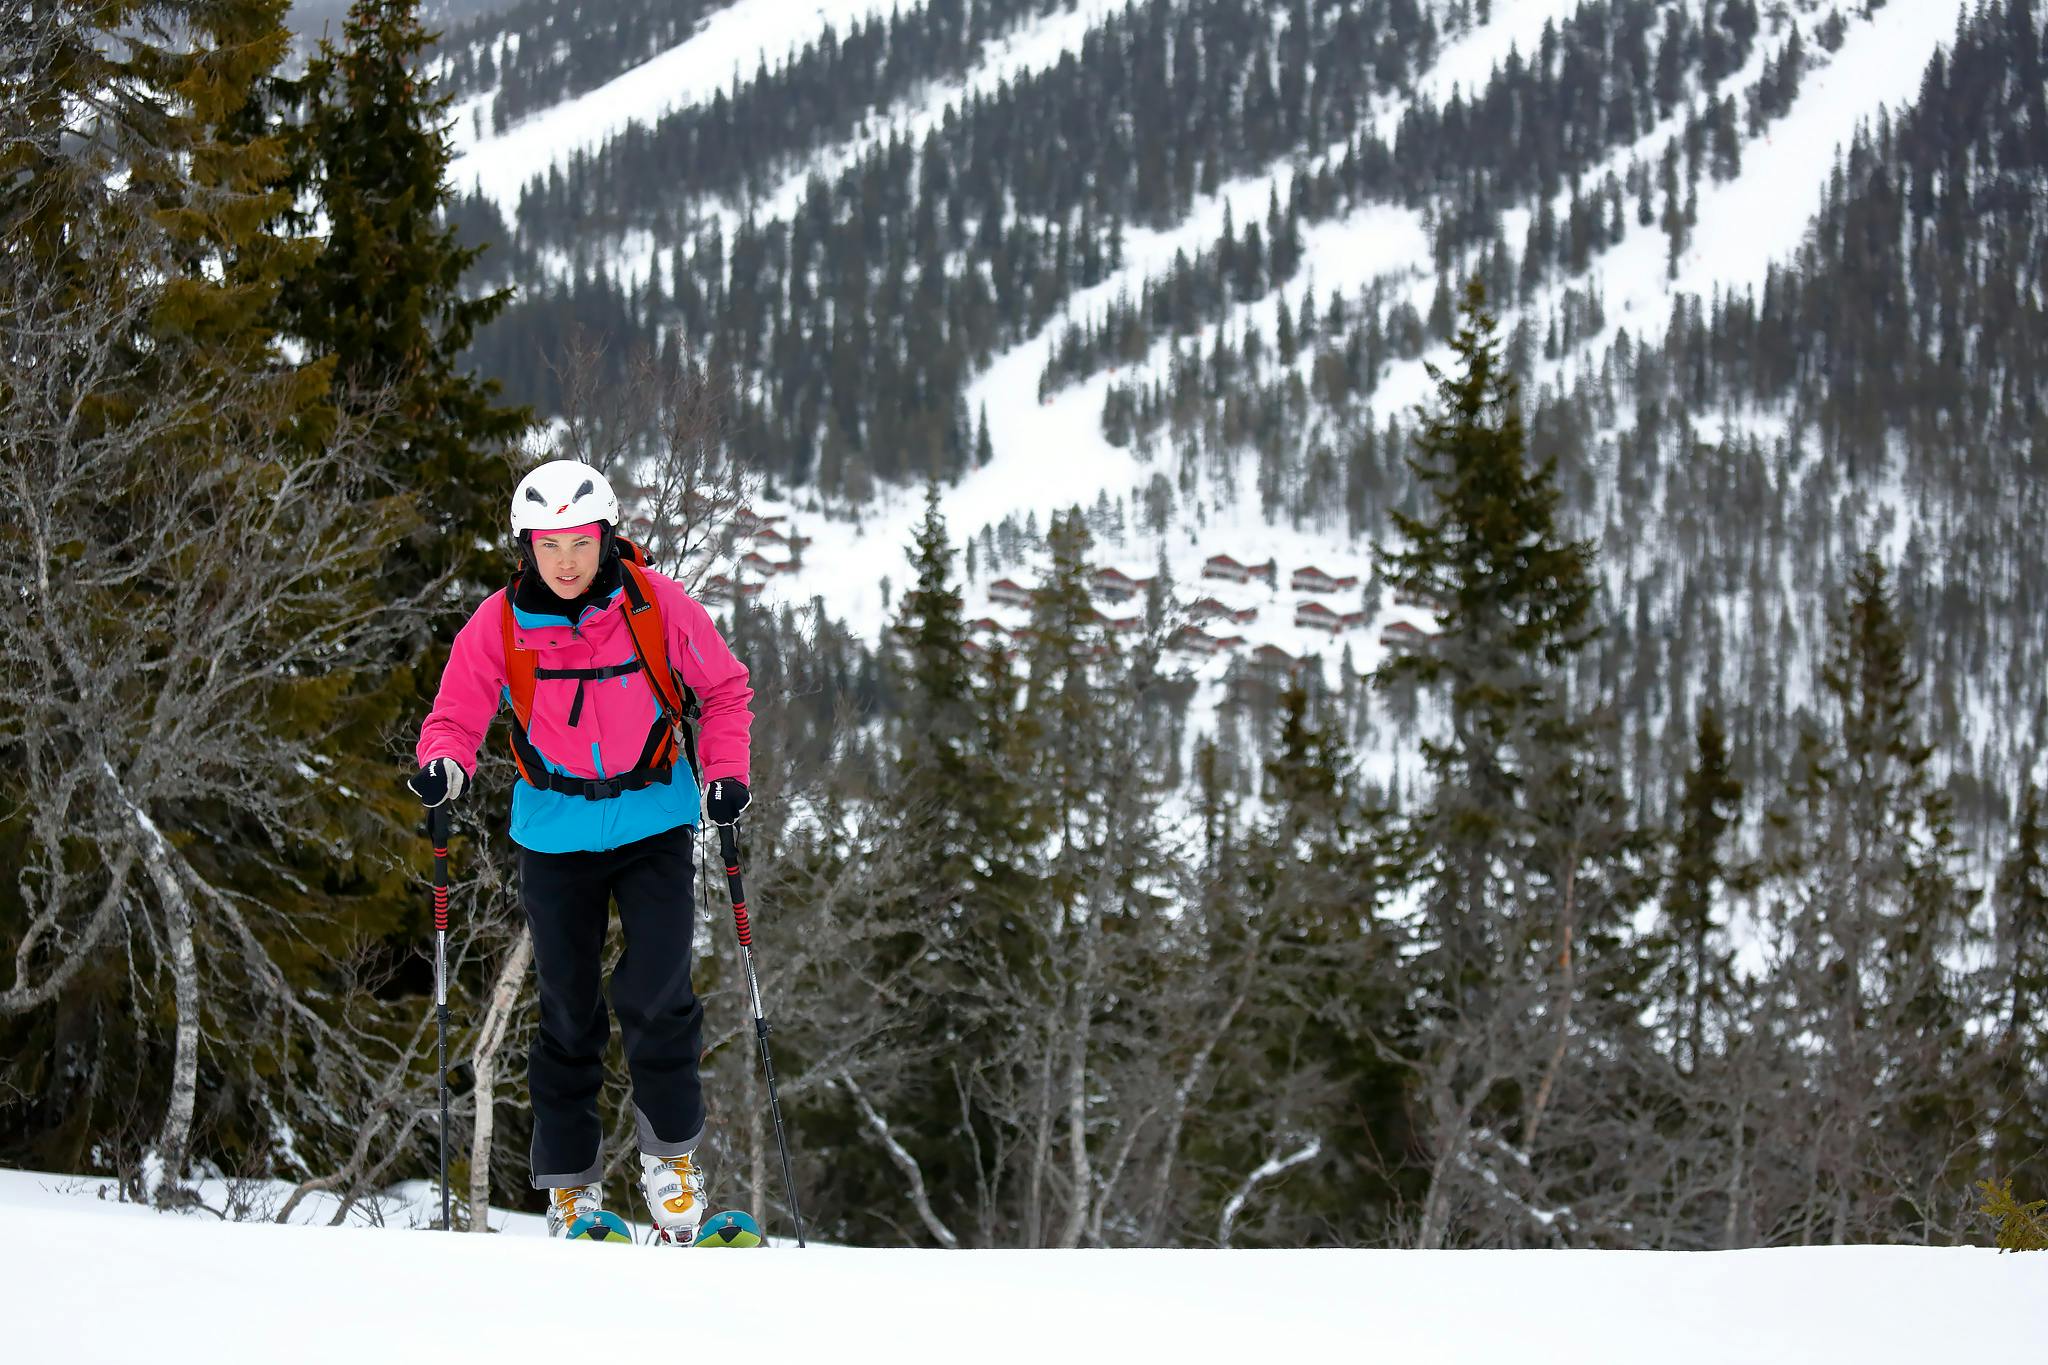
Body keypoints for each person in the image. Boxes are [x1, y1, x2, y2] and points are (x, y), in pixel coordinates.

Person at [408, 458, 755, 1245]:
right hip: (555, 832)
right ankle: (574, 1192)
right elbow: (456, 710)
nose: (565, 561)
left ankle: (672, 1163)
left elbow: (726, 688)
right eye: (548, 544)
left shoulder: (655, 605)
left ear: (605, 539)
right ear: (526, 547)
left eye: (580, 543)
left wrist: (727, 773)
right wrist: (445, 760)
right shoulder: (498, 622)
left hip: (655, 821)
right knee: (569, 1008)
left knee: (658, 988)